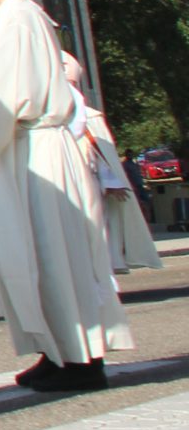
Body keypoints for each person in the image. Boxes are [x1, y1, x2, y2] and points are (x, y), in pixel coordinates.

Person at [0, 0, 132, 391]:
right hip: (41, 145)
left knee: (54, 255)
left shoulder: (15, 22)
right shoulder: (28, 14)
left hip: (38, 148)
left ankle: (79, 359)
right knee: (44, 253)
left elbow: (13, 98)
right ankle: (57, 349)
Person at [67, 58, 162, 274]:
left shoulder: (88, 117)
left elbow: (98, 152)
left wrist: (109, 179)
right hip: (60, 181)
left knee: (94, 230)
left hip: (86, 182)